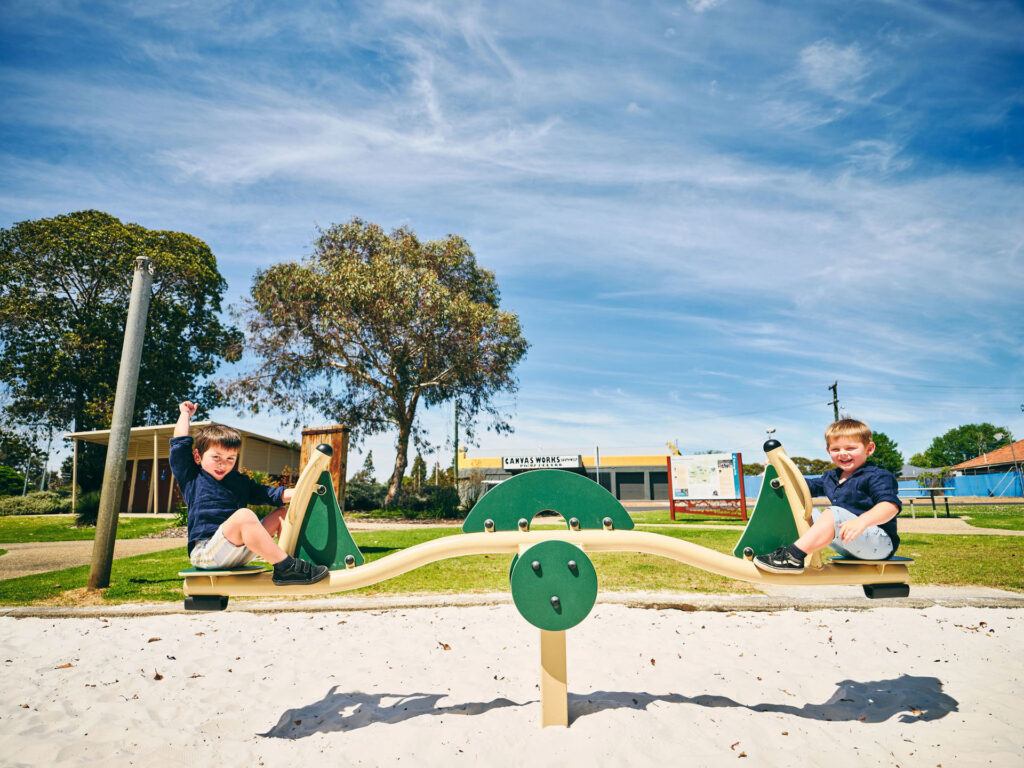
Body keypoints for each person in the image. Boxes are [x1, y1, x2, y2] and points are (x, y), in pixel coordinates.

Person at [170, 401, 329, 585]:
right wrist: (185, 414)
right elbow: (179, 445)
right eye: (216, 457)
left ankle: (293, 564)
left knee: (282, 514)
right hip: (207, 554)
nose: (223, 463)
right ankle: (287, 567)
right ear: (198, 457)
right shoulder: (192, 476)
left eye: (230, 458)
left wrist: (304, 491)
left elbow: (270, 494)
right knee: (244, 516)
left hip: (238, 553)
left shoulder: (239, 482)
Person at [754, 418, 901, 574]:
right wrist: (778, 470)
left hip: (879, 543)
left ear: (869, 449)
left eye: (851, 448)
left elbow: (889, 506)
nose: (843, 453)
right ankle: (778, 550)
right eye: (836, 449)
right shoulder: (830, 477)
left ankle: (792, 556)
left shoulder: (877, 476)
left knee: (832, 513)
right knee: (803, 509)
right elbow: (800, 488)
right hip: (848, 542)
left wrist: (861, 521)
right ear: (828, 451)